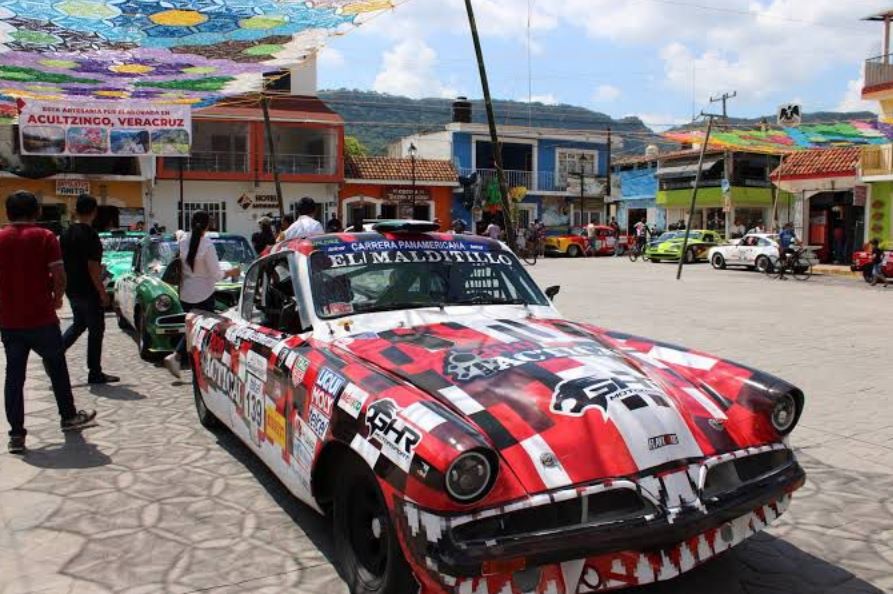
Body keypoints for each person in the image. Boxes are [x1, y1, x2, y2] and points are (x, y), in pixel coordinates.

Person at [0, 191, 96, 454]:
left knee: (14, 376)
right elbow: (58, 274)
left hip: (10, 321)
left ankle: (16, 435)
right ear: (36, 212)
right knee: (56, 368)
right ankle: (68, 417)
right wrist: (56, 299)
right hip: (41, 318)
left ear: (9, 212)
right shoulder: (44, 237)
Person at [163, 211, 241, 378]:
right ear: (207, 225)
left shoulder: (183, 239)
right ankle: (180, 358)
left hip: (185, 293)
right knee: (201, 331)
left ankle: (183, 359)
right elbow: (216, 275)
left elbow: (178, 234)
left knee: (191, 328)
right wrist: (232, 271)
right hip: (204, 294)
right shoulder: (207, 245)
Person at [60, 194, 119, 385]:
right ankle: (95, 372)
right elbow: (93, 269)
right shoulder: (91, 236)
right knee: (96, 330)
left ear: (75, 210)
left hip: (72, 288)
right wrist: (102, 292)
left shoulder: (66, 234)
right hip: (88, 290)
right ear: (94, 212)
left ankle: (54, 353)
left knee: (79, 324)